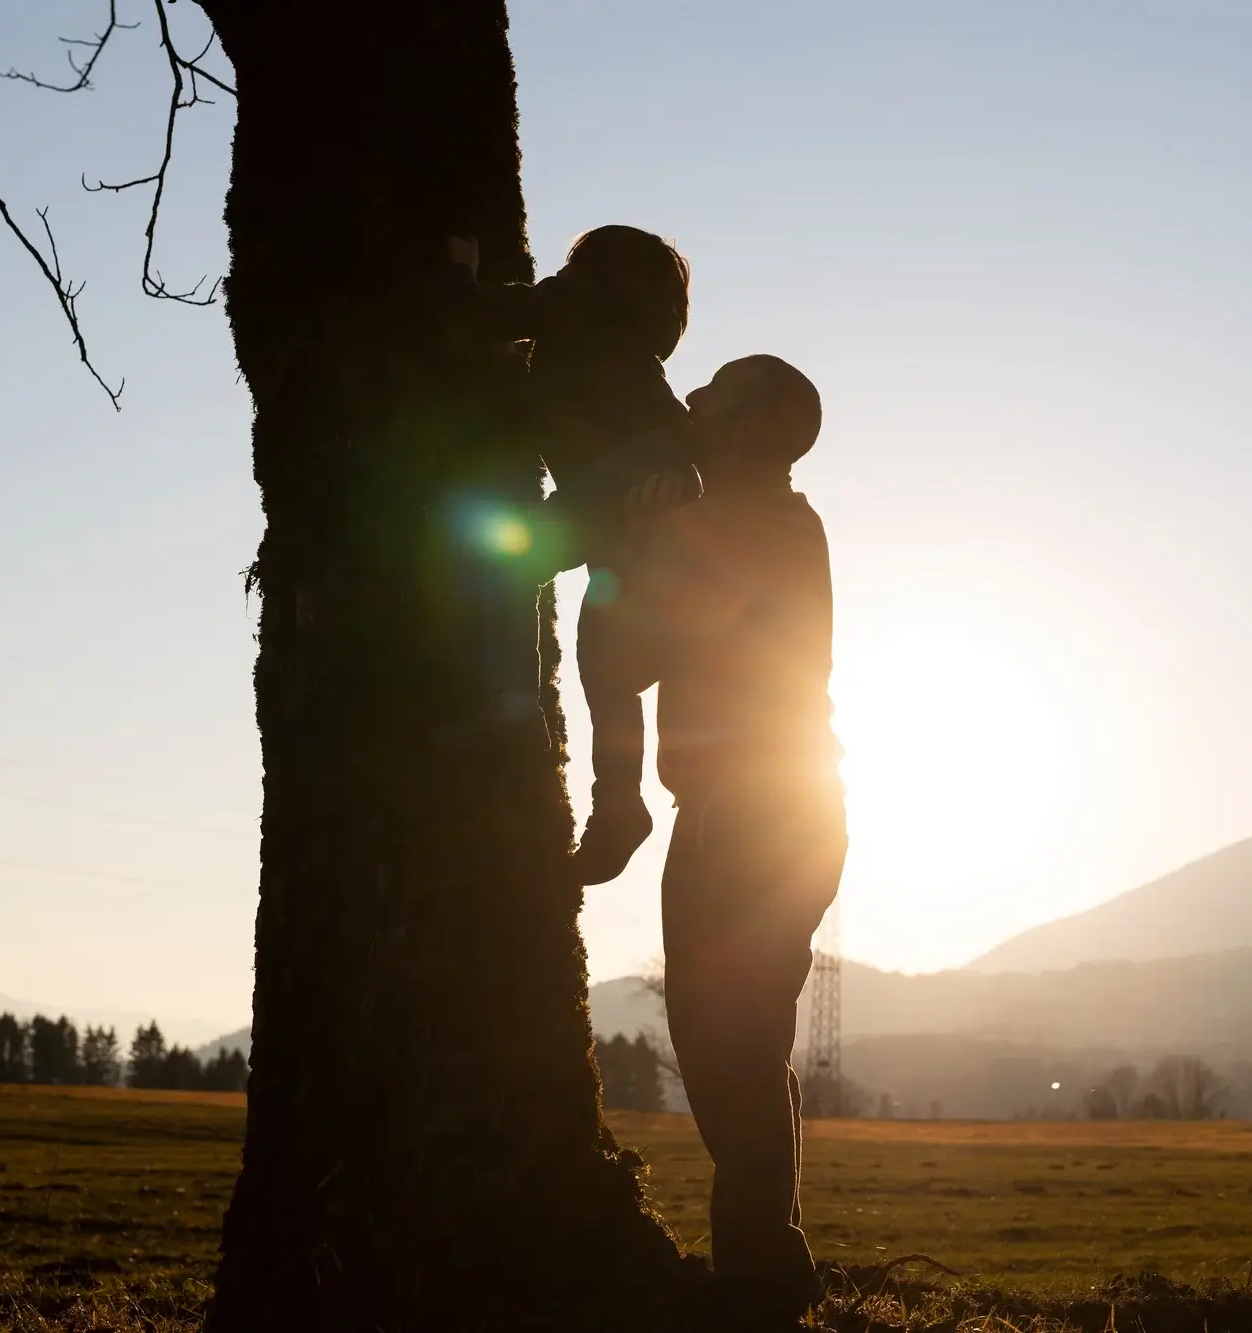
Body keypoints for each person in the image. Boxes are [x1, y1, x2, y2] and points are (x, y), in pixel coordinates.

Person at [636, 354, 847, 1325]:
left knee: (721, 1042)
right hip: (786, 804)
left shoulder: (739, 520)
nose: (690, 402)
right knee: (745, 1040)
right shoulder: (771, 519)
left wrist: (636, 525)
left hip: (745, 810)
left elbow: (641, 642)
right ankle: (770, 1262)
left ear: (744, 428)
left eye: (710, 396)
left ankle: (758, 1275)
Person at [445, 227, 699, 883]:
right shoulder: (639, 353)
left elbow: (476, 317)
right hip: (638, 522)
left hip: (610, 497)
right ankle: (616, 801)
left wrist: (460, 270)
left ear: (591, 270)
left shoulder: (570, 303)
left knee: (505, 564)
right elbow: (678, 435)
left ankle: (513, 710)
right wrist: (683, 479)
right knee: (606, 663)